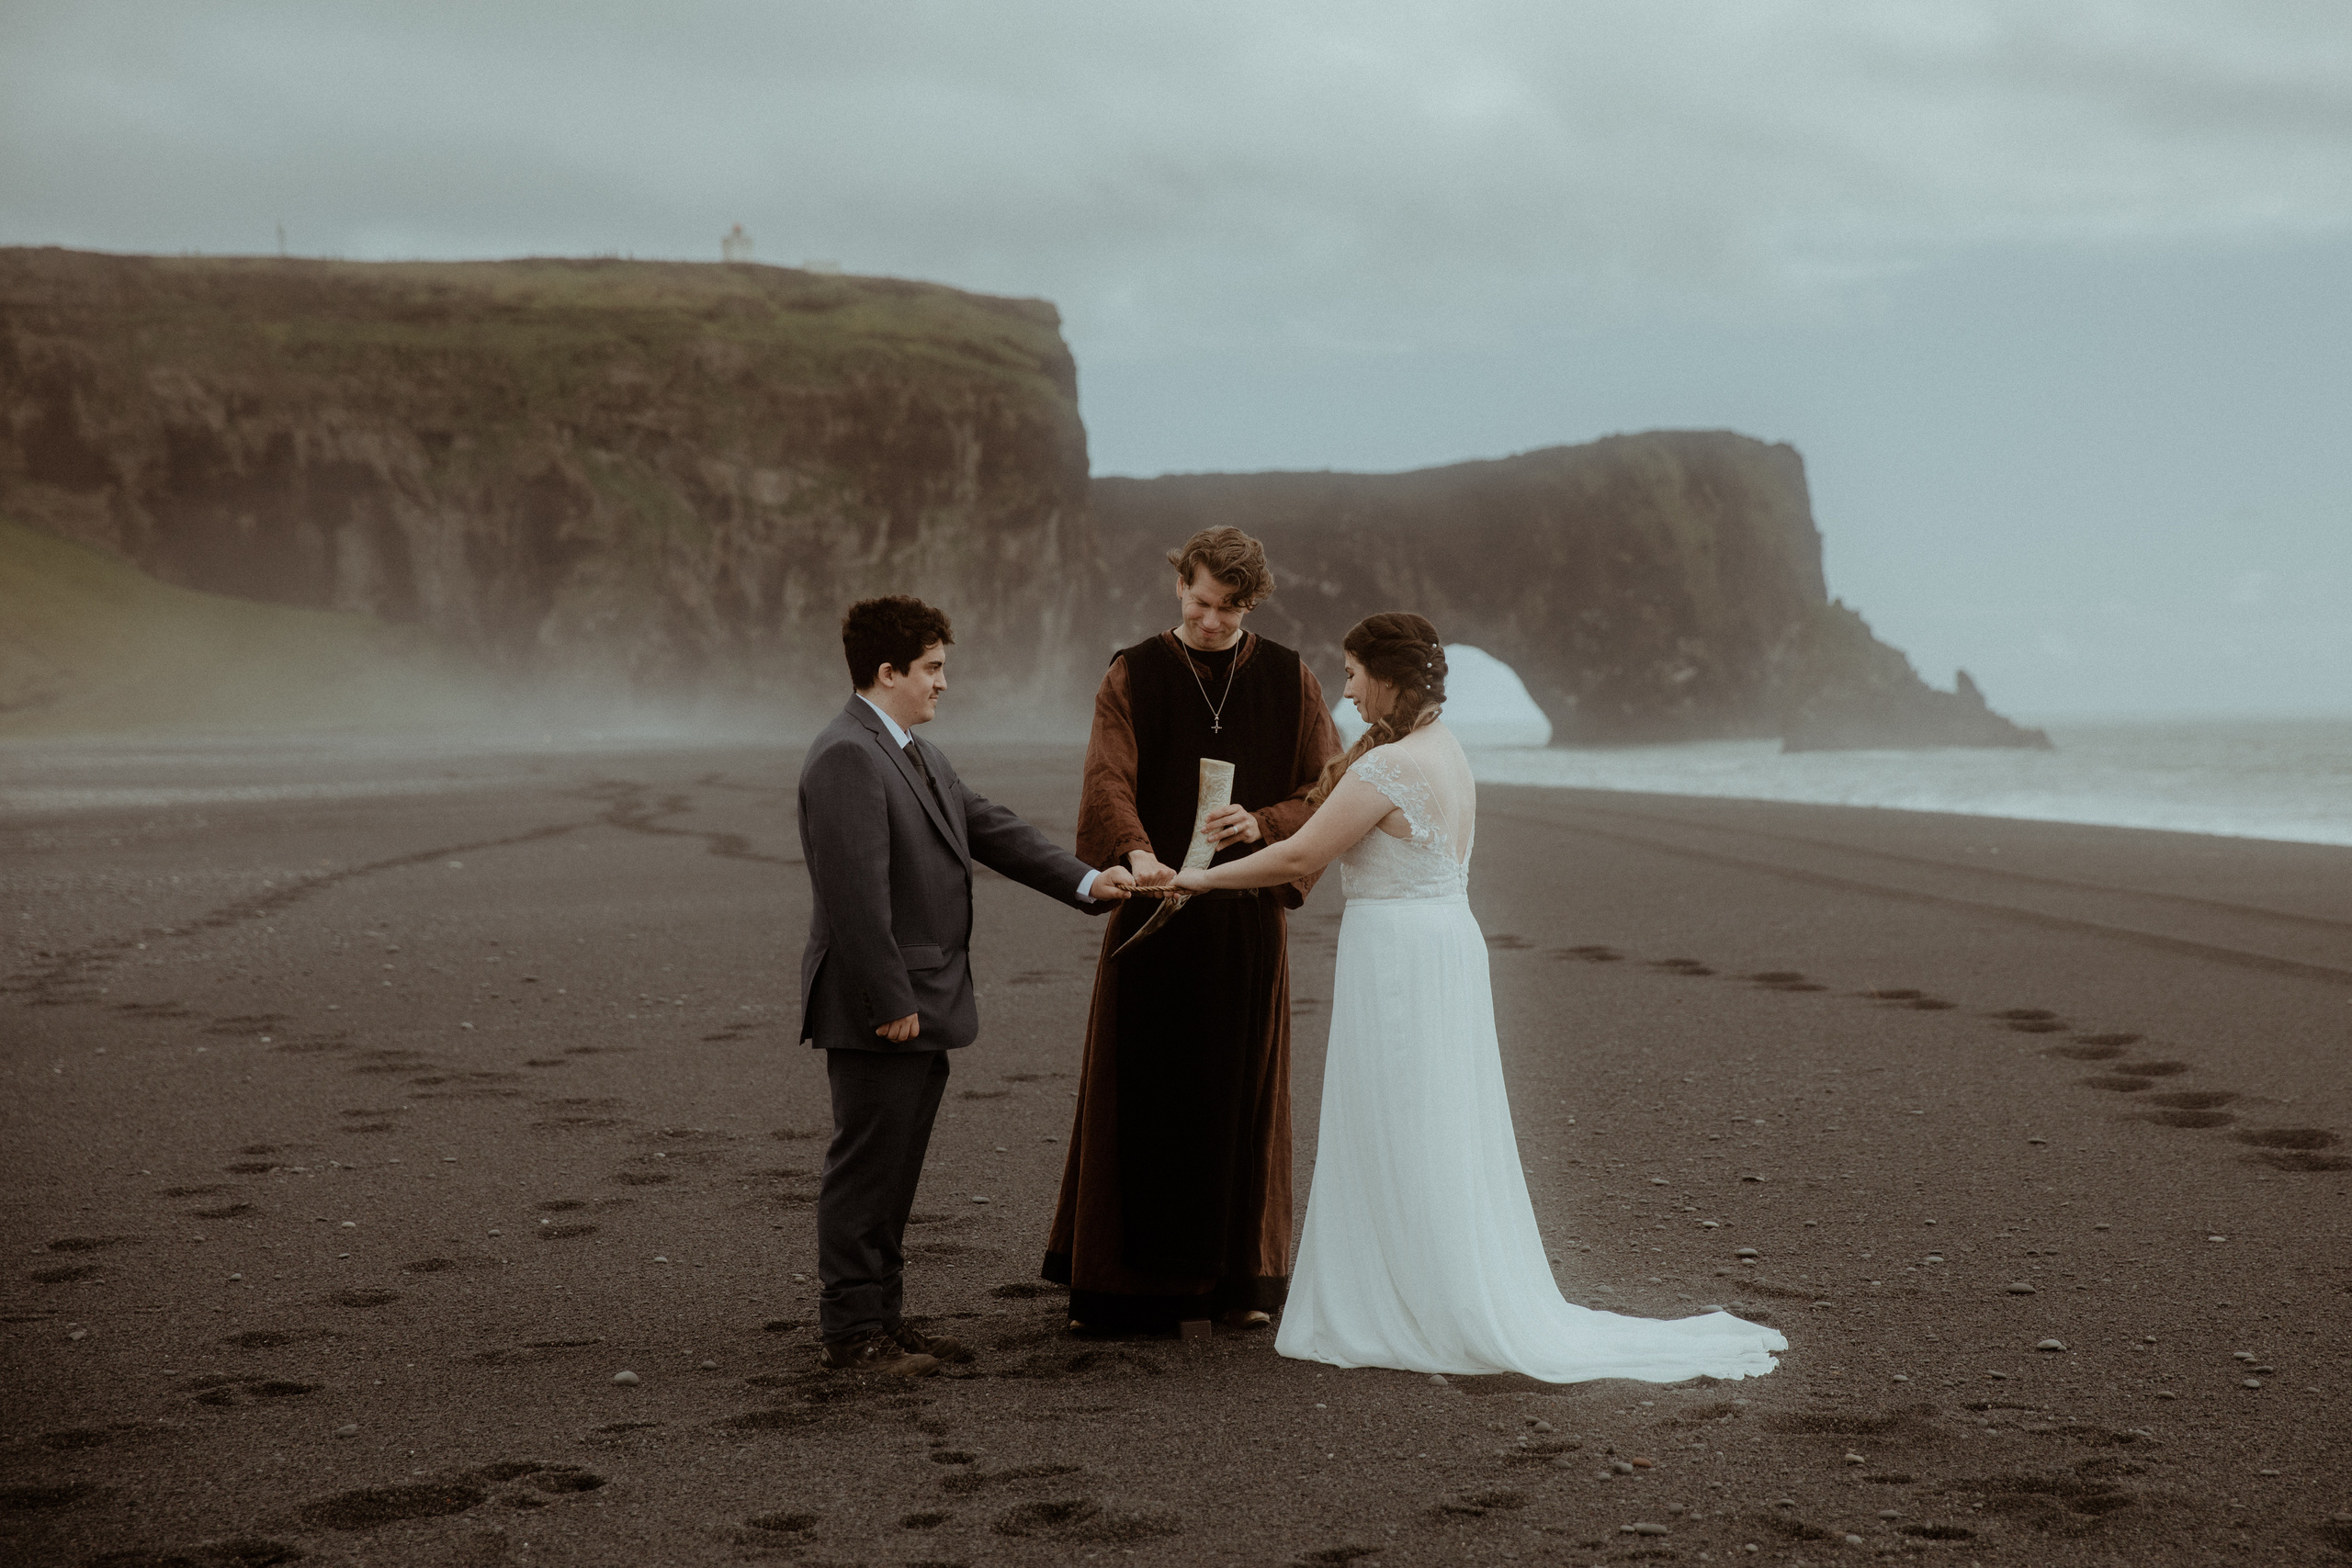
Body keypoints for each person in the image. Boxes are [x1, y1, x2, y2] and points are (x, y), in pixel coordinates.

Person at [1170, 612, 1787, 1383]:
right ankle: (1435, 1282)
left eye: (1355, 672)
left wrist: (1200, 877)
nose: (1348, 689)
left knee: (1398, 1114)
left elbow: (1300, 853)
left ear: (1389, 677)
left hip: (1398, 954)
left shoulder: (1383, 768)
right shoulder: (1447, 751)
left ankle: (1411, 1299)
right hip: (1447, 944)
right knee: (1437, 1118)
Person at [798, 595, 1135, 1376]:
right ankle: (853, 1336)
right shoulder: (847, 753)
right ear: (889, 672)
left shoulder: (911, 748)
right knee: (866, 1170)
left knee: (897, 1166)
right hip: (883, 1007)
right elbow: (853, 897)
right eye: (933, 668)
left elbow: (990, 827)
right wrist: (891, 1003)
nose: (944, 683)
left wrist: (1090, 881)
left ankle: (884, 1318)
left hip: (923, 1001)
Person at [1042, 527, 1342, 1333]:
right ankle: (1126, 1288)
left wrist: (1267, 820)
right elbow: (1108, 777)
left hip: (1245, 920)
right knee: (1140, 1092)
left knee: (1239, 1092)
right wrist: (1137, 853)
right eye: (1200, 601)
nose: (1210, 620)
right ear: (1181, 585)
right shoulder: (1132, 671)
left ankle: (1238, 1283)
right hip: (1151, 913)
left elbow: (1331, 787)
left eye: (1229, 608)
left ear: (1252, 604)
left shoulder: (1290, 677)